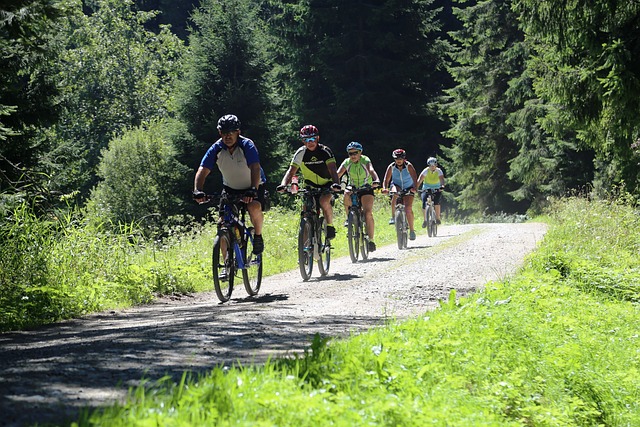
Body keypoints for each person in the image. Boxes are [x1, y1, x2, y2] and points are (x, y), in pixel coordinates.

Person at [193, 114, 267, 254]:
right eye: (224, 133)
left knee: (253, 207)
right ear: (220, 133)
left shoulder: (247, 145)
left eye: (231, 133)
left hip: (254, 185)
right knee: (222, 225)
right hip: (230, 189)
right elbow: (202, 170)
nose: (227, 136)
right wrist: (198, 190)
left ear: (238, 132)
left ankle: (258, 236)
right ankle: (226, 264)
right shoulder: (216, 148)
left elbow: (255, 167)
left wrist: (252, 189)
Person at [276, 124, 341, 239]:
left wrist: (336, 184)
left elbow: (333, 169)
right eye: (306, 140)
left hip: (327, 184)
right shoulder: (301, 152)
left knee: (324, 201)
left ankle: (330, 226)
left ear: (318, 139)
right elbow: (291, 171)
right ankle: (305, 246)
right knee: (306, 210)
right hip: (310, 185)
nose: (310, 142)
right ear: (302, 141)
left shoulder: (325, 151)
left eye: (312, 139)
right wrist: (283, 185)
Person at [337, 141, 381, 252]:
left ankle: (371, 240)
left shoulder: (365, 160)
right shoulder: (347, 162)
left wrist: (376, 179)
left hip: (366, 187)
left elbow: (371, 170)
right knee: (346, 194)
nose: (352, 156)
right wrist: (332, 183)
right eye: (350, 153)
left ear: (360, 152)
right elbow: (338, 173)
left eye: (355, 153)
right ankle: (349, 219)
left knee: (367, 213)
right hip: (353, 186)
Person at [381, 148, 418, 240]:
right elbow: (386, 179)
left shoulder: (408, 166)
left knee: (408, 208)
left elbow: (414, 177)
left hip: (408, 186)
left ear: (404, 158)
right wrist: (385, 188)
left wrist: (415, 188)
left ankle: (412, 230)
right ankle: (393, 217)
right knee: (394, 194)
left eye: (400, 159)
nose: (398, 161)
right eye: (397, 159)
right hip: (396, 185)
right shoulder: (391, 167)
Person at [417, 156, 445, 227]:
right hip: (426, 187)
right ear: (428, 165)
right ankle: (425, 220)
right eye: (430, 165)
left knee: (436, 202)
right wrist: (415, 188)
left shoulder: (439, 171)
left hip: (437, 188)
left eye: (434, 165)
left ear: (436, 165)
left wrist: (442, 186)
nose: (432, 167)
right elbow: (420, 180)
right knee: (424, 203)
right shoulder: (425, 171)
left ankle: (438, 218)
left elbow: (441, 180)